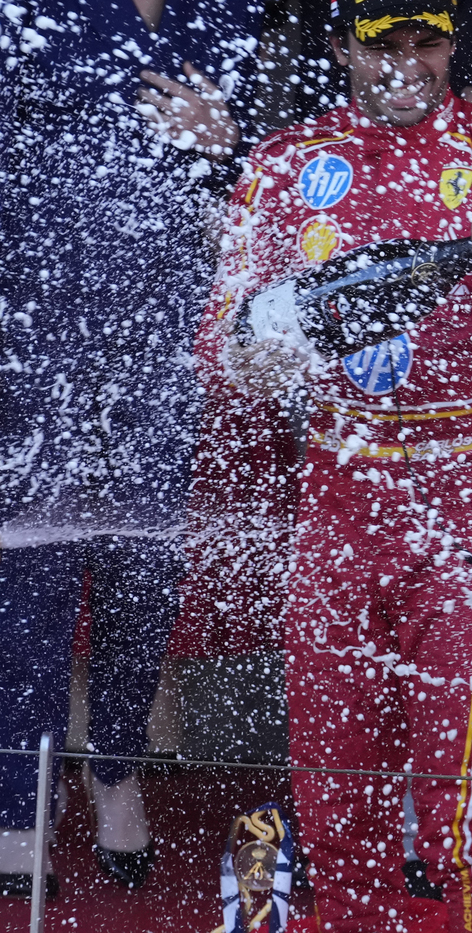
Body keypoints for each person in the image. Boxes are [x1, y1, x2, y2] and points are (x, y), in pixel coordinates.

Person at [209, 0, 472, 926]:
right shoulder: (283, 163)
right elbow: (221, 356)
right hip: (338, 498)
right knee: (335, 806)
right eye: (381, 44)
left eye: (425, 41)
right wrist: (260, 351)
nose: (406, 63)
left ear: (453, 40)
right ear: (339, 46)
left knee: (468, 814)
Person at [0, 0, 264, 893]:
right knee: (31, 579)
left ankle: (114, 766)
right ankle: (19, 791)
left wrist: (228, 145)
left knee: (144, 572)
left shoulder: (229, 12)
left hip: (163, 331)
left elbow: (287, 175)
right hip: (37, 320)